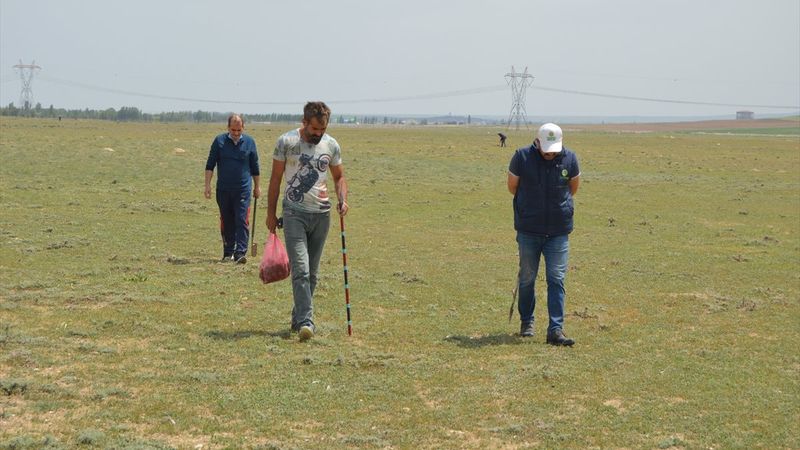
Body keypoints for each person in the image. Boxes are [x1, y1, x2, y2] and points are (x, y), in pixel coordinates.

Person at [267, 101, 348, 341]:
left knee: (312, 274)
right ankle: (307, 322)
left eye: (322, 130)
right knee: (300, 270)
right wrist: (270, 214)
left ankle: (298, 317)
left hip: (322, 215)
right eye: (314, 129)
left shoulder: (331, 145)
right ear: (304, 122)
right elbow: (275, 179)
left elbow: (339, 177)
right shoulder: (286, 143)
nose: (318, 134)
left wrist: (342, 198)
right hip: (294, 213)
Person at [507, 123, 580, 346]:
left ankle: (555, 330)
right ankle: (527, 321)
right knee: (527, 278)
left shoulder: (570, 158)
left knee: (556, 279)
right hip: (529, 229)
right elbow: (512, 187)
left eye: (554, 149)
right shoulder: (521, 157)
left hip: (558, 231)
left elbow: (573, 188)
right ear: (537, 141)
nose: (550, 153)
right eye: (546, 148)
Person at [204, 114, 261, 263]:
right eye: (233, 130)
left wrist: (257, 187)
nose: (236, 133)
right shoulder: (219, 141)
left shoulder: (250, 142)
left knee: (241, 219)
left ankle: (240, 253)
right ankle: (228, 252)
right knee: (227, 220)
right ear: (228, 127)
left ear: (243, 128)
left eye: (239, 130)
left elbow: (255, 167)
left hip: (243, 189)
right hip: (223, 190)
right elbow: (210, 165)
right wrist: (207, 185)